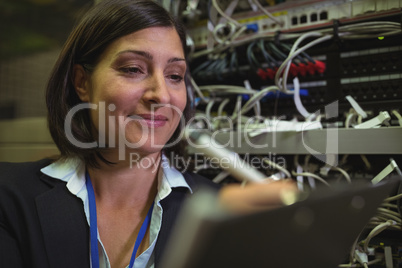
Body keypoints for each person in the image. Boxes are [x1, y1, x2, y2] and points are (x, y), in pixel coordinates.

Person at [0, 0, 297, 267]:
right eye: (133, 69)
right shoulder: (9, 196)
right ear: (82, 82)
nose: (162, 95)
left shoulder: (224, 213)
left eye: (175, 76)